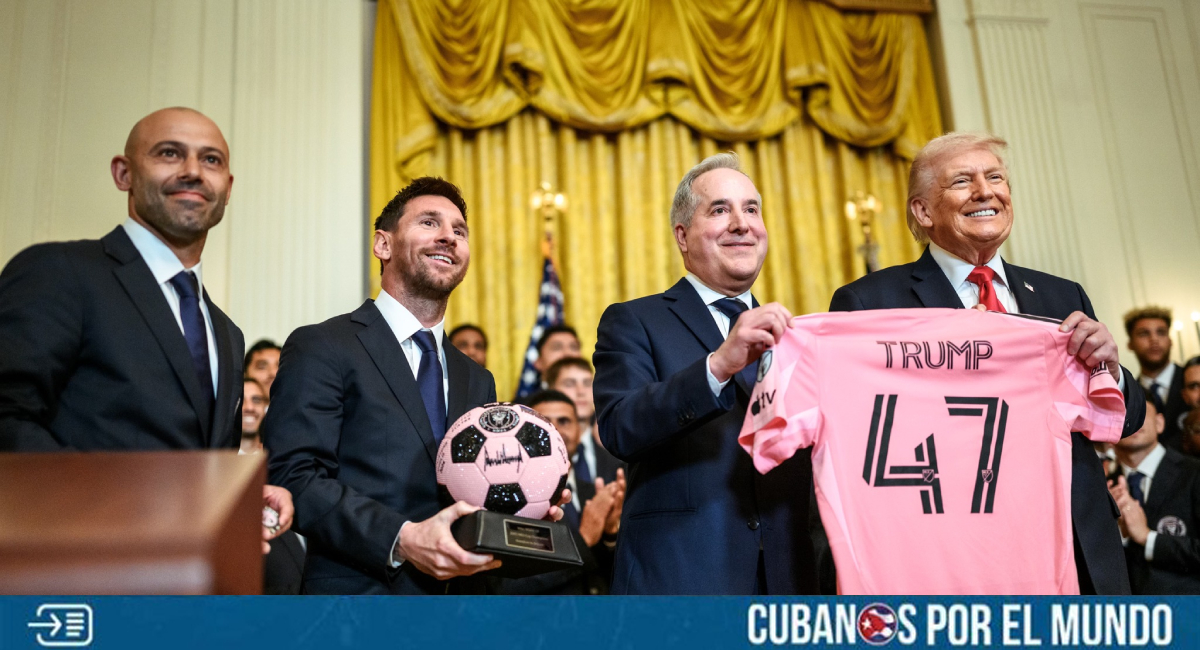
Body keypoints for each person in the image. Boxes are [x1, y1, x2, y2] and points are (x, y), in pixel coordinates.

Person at [829, 132, 1146, 595]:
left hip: (1075, 547)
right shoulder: (870, 303)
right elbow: (860, 440)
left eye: (995, 178)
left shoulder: (1062, 294)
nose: (985, 192)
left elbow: (1124, 422)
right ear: (923, 211)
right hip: (954, 555)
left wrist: (1111, 371)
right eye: (962, 181)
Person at [0, 107, 292, 553]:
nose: (193, 171)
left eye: (211, 159)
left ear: (228, 187)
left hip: (185, 579)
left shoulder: (227, 334)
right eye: (169, 153)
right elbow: (8, 419)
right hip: (72, 567)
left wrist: (238, 502)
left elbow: (199, 468)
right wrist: (129, 512)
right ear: (124, 173)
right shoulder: (59, 272)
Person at [263, 177, 566, 595]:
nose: (448, 236)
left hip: (460, 607)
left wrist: (525, 507)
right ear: (383, 244)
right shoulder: (323, 345)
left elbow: (475, 491)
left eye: (459, 231)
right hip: (358, 603)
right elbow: (293, 476)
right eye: (429, 222)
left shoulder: (477, 377)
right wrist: (402, 538)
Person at [593, 152, 815, 595]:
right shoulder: (635, 320)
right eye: (719, 210)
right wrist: (718, 366)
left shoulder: (798, 336)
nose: (741, 224)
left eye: (751, 209)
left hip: (789, 583)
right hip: (680, 581)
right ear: (682, 235)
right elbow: (620, 427)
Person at [490, 390, 623, 595]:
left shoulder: (594, 493)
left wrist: (610, 534)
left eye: (564, 421)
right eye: (543, 422)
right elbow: (507, 586)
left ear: (579, 431)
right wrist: (584, 540)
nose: (555, 430)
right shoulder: (506, 499)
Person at [1109, 399, 1200, 593]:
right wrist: (1117, 535)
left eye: (1140, 413)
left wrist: (1147, 538)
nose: (1132, 419)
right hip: (1123, 606)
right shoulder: (1102, 486)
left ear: (1159, 423)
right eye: (1123, 414)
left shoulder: (1194, 473)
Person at [545, 357, 623, 483]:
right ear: (551, 390)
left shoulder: (614, 448)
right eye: (569, 384)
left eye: (587, 383)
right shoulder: (541, 448)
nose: (581, 392)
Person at [1124, 307, 1185, 449]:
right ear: (1130, 344)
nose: (1154, 340)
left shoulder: (1192, 382)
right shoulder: (1127, 395)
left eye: (1161, 332)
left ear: (1170, 340)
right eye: (1144, 333)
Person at [240, 378, 269, 454]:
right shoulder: (214, 455)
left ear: (265, 407)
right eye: (240, 401)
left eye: (256, 400)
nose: (249, 408)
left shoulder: (278, 457)